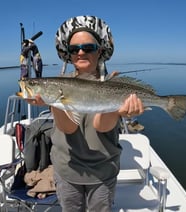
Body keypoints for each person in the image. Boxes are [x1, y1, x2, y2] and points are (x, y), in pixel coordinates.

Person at [28, 15, 144, 211]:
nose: (80, 52)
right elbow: (69, 128)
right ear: (68, 53)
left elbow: (101, 126)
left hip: (102, 173)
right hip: (67, 170)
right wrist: (53, 102)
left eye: (88, 47)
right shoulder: (60, 84)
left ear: (100, 50)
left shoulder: (111, 83)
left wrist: (120, 110)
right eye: (74, 49)